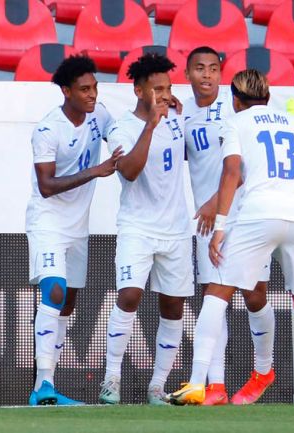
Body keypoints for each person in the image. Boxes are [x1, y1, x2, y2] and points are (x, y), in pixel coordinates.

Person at [169, 69, 294, 407]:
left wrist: (220, 227)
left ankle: (198, 382)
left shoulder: (236, 123)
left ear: (235, 99)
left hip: (258, 215)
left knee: (217, 292)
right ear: (268, 95)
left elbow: (232, 171)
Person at [26, 55, 121, 406]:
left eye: (94, 87)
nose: (92, 94)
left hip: (78, 227)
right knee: (54, 291)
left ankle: (43, 386)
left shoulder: (100, 114)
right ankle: (44, 386)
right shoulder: (48, 129)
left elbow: (119, 133)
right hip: (48, 220)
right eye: (84, 89)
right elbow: (47, 185)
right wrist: (95, 171)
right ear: (66, 91)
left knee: (67, 302)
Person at [184, 47, 276, 405]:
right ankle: (216, 386)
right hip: (210, 223)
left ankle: (263, 369)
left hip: (245, 214)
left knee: (255, 297)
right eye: (199, 69)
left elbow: (241, 166)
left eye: (212, 69)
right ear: (188, 73)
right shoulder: (182, 114)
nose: (206, 75)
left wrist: (213, 203)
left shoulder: (237, 107)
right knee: (214, 296)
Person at [98, 52, 191, 405]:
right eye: (157, 89)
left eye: (167, 88)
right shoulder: (122, 126)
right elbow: (130, 171)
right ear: (138, 91)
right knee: (130, 295)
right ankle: (111, 379)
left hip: (177, 229)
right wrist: (151, 124)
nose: (164, 95)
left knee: (173, 306)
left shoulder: (180, 118)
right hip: (137, 225)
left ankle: (157, 386)